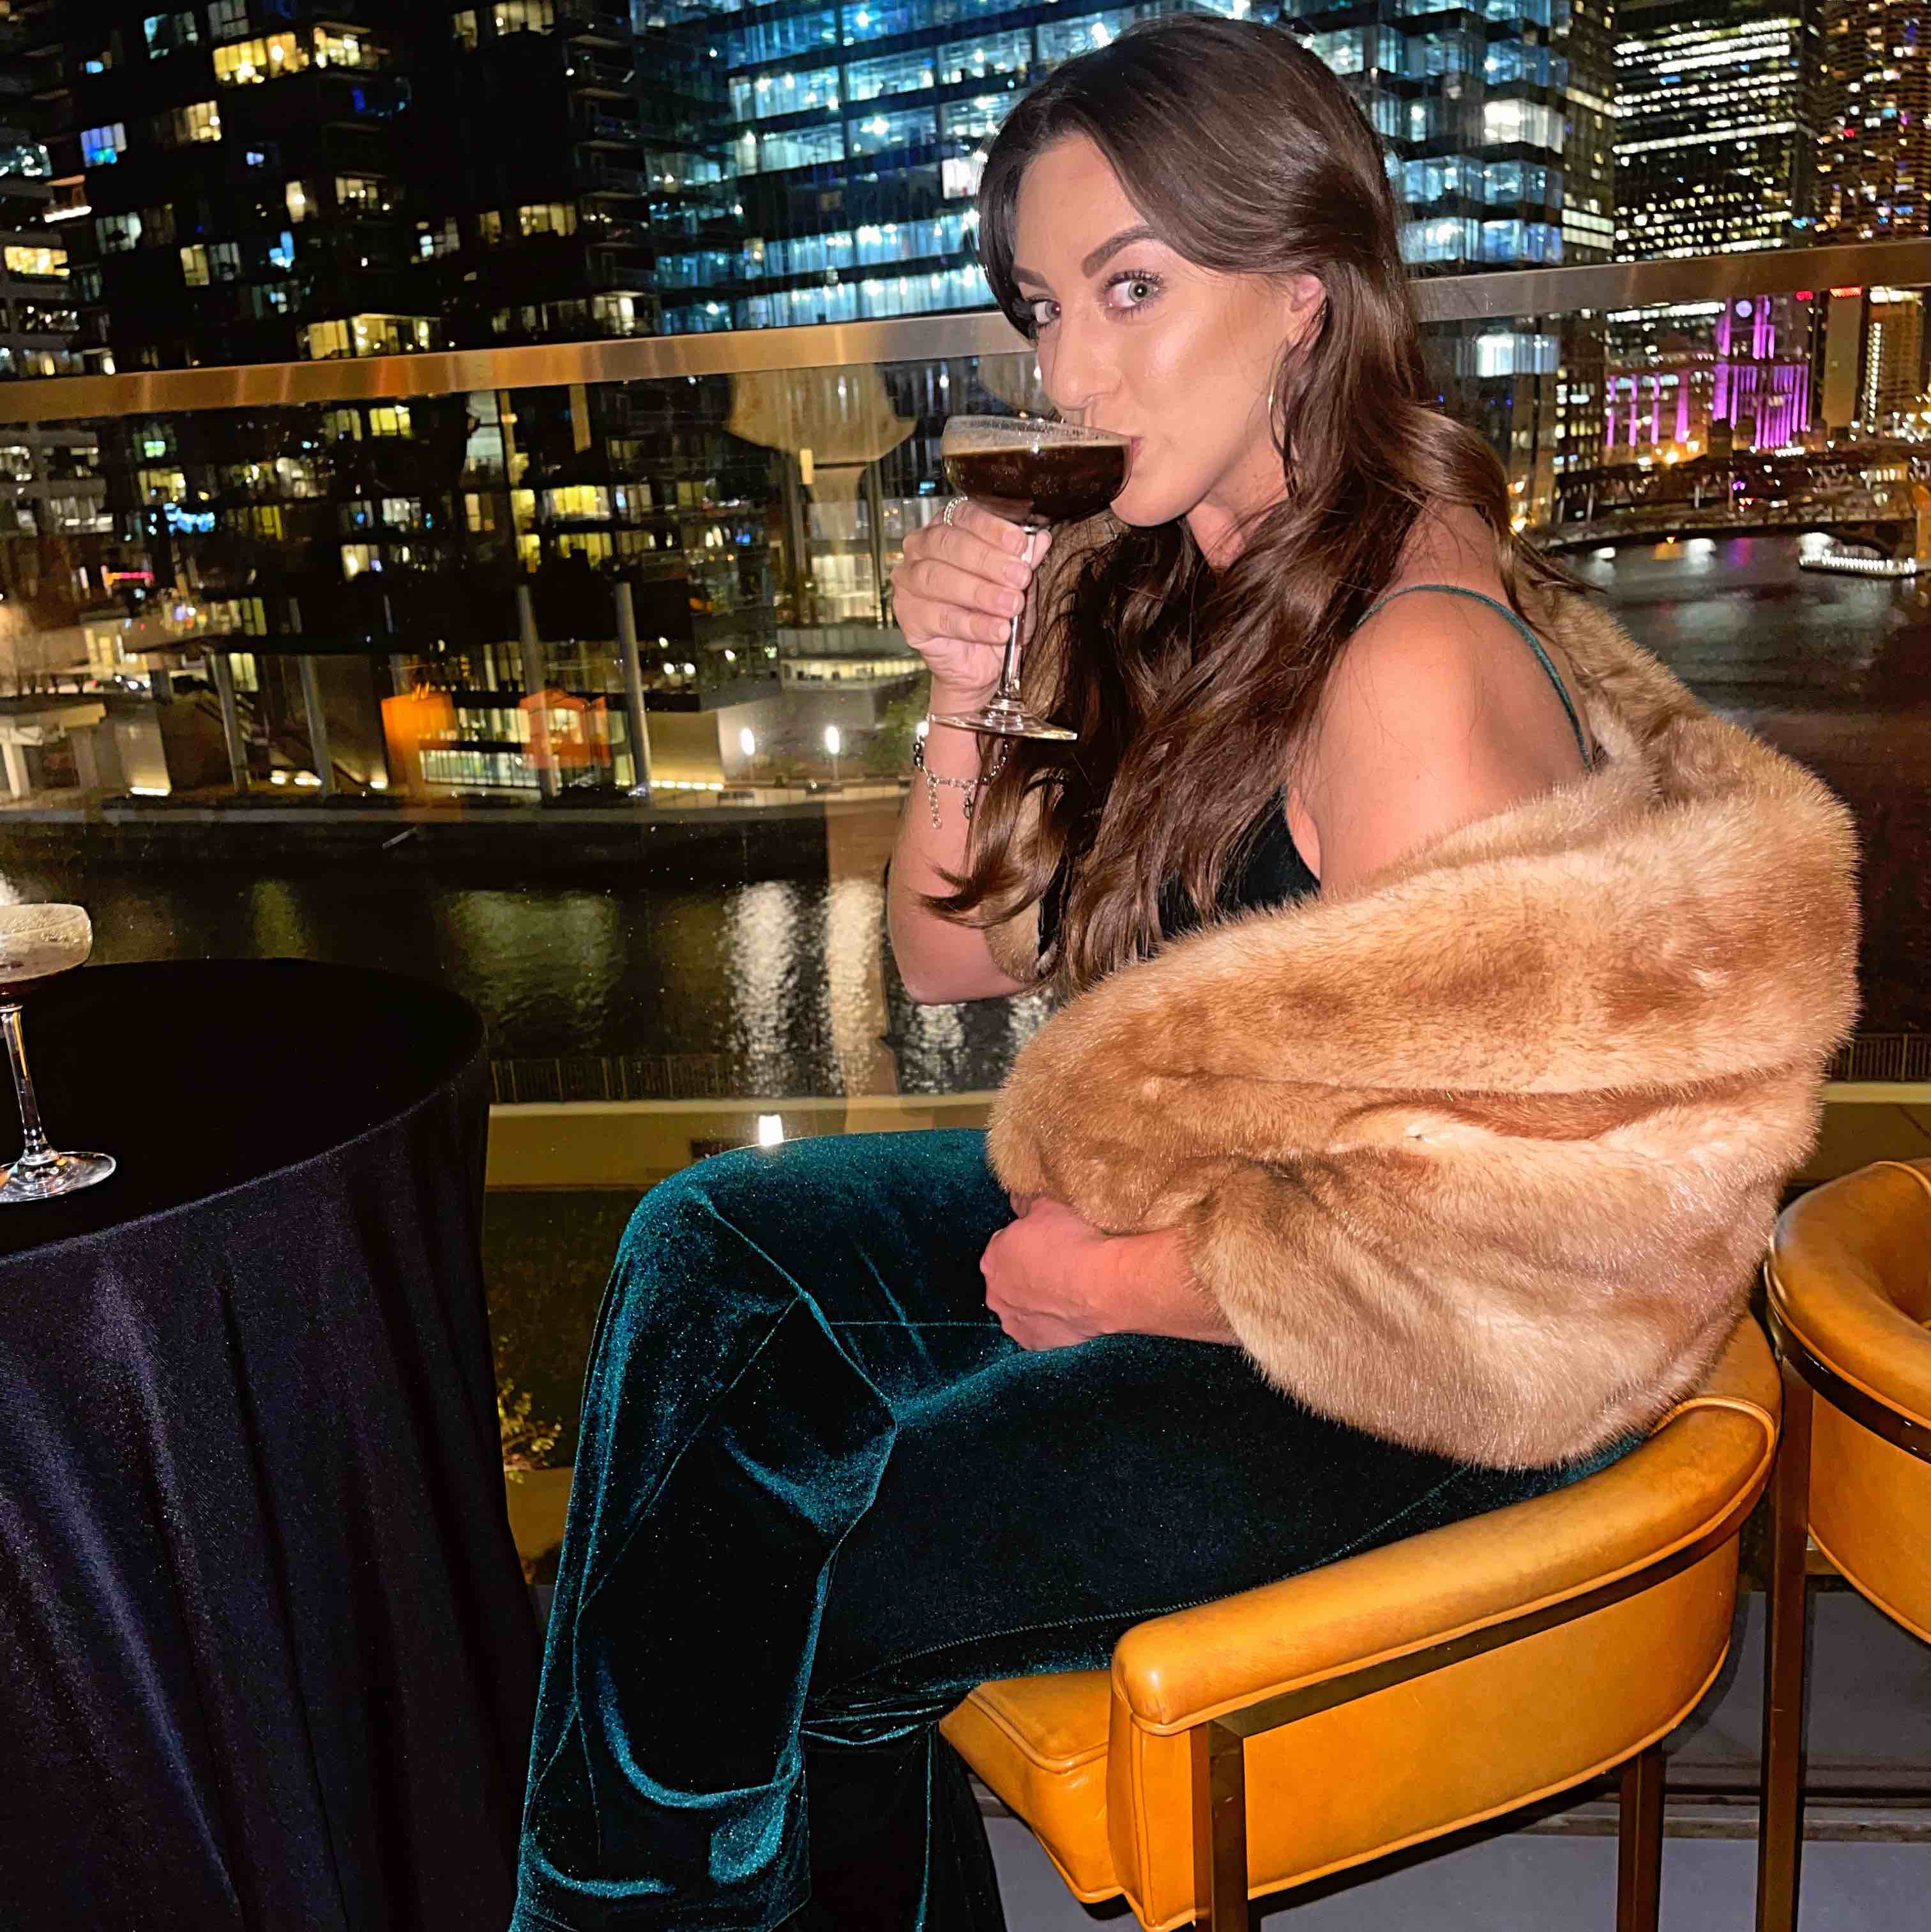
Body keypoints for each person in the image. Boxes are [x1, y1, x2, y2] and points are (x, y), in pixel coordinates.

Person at [513, 17, 1858, 1931]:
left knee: (796, 1592)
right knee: (707, 1246)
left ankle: (645, 1872)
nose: (1068, 369)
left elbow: (1517, 1249)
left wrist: (1122, 1282)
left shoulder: (1407, 668)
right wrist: (965, 691)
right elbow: (948, 949)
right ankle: (635, 1864)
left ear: (1305, 291)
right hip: (1222, 1218)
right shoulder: (1173, 579)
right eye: (1042, 307)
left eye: (1132, 288)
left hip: (1400, 1371)